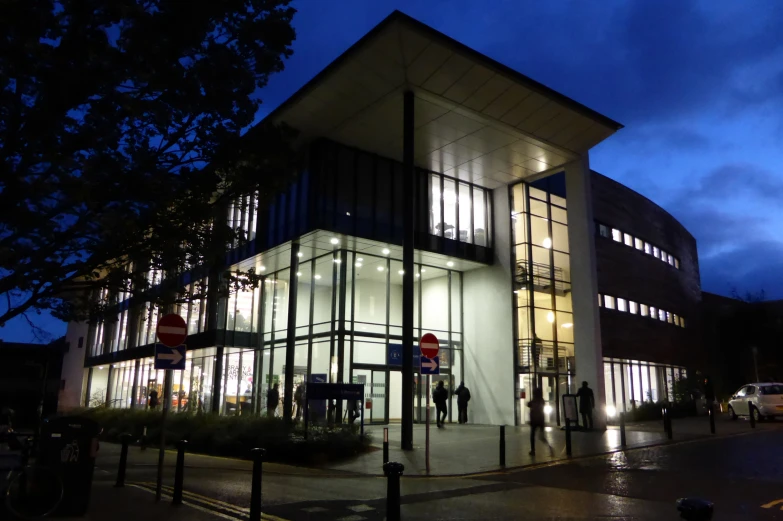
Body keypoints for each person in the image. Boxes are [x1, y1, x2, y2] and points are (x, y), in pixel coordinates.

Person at [527, 388, 553, 456]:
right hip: (541, 420)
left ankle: (533, 450)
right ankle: (549, 447)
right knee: (541, 437)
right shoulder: (542, 400)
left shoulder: (534, 400)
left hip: (535, 421)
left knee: (532, 436)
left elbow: (529, 405)